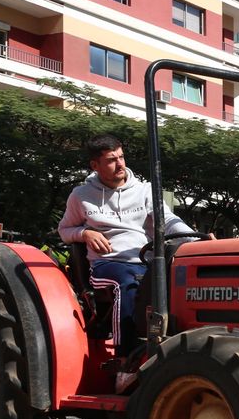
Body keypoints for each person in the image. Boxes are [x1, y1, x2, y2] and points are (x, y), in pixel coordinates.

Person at [57, 135, 198, 385]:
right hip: (106, 264)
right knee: (126, 284)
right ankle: (125, 360)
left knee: (174, 281)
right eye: (111, 160)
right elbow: (64, 230)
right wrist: (85, 233)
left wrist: (195, 240)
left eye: (121, 157)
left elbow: (168, 222)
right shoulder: (81, 196)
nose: (120, 164)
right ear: (95, 166)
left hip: (142, 260)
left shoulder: (144, 191)